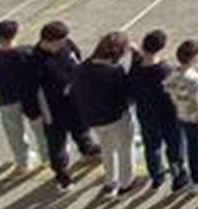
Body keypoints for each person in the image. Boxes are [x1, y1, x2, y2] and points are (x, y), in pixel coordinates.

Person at [35, 20, 99, 190]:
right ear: (48, 41)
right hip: (53, 109)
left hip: (74, 101)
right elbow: (32, 90)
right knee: (57, 143)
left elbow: (77, 59)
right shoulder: (36, 62)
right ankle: (62, 173)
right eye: (60, 42)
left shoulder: (67, 46)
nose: (64, 44)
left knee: (81, 127)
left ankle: (87, 148)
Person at [73, 32, 135, 195]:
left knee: (107, 149)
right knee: (124, 149)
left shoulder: (82, 68)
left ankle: (110, 180)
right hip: (115, 117)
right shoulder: (114, 71)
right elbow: (126, 94)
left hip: (93, 118)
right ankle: (125, 183)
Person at [0, 19, 44, 174]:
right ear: (16, 34)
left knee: (14, 133)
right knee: (40, 129)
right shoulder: (28, 52)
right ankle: (48, 157)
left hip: (6, 99)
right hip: (30, 97)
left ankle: (23, 162)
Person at [128, 29, 188, 192]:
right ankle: (178, 176)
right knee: (174, 147)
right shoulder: (164, 70)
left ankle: (157, 176)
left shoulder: (137, 66)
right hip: (168, 116)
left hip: (146, 113)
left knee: (152, 146)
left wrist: (136, 51)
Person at [167, 38, 198, 193]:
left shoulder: (173, 74)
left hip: (182, 116)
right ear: (193, 58)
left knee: (193, 150)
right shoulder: (196, 80)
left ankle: (197, 180)